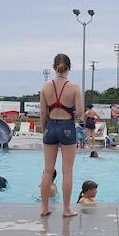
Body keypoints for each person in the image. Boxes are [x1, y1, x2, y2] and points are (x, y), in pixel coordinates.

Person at [40, 53, 83, 218]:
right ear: (70, 68)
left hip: (50, 126)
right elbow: (79, 113)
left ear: (53, 67)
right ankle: (66, 209)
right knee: (67, 171)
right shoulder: (74, 88)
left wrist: (45, 129)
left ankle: (44, 207)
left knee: (48, 170)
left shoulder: (45, 87)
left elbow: (43, 112)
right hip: (67, 127)